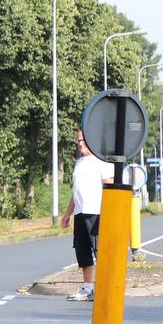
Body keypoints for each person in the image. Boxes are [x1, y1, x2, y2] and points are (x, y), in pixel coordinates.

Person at [60, 129, 114, 302]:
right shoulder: (79, 163)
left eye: (82, 140)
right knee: (83, 253)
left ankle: (107, 288)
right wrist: (68, 214)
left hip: (96, 213)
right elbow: (76, 191)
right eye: (78, 141)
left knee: (101, 252)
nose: (80, 144)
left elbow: (109, 189)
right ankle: (87, 289)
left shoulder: (102, 161)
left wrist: (109, 212)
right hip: (80, 213)